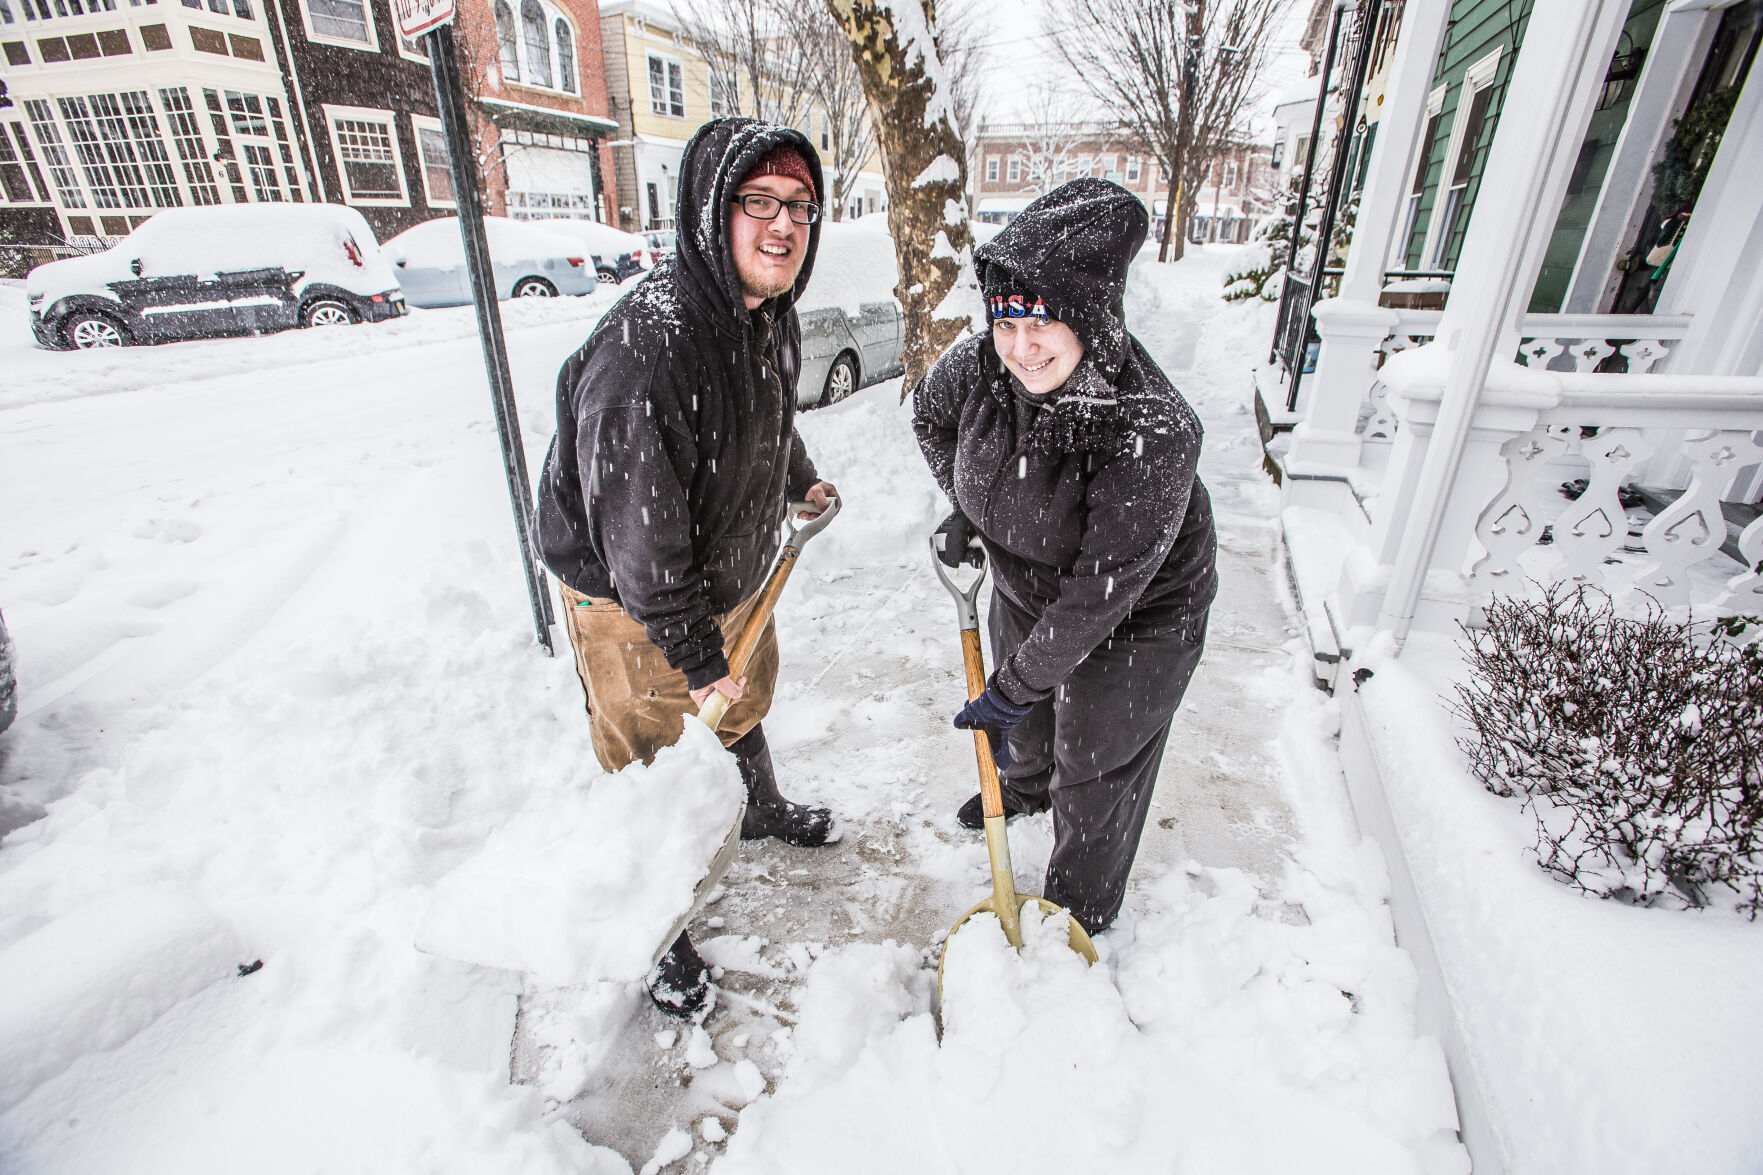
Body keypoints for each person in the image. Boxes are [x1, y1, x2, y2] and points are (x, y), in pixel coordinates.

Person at [535, 117, 840, 1019]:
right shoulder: (646, 354)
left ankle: (762, 805)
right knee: (650, 761)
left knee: (742, 698)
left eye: (800, 206)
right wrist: (696, 656)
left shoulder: (763, 315)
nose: (784, 226)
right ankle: (655, 934)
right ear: (714, 212)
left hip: (726, 569)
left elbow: (770, 414)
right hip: (634, 604)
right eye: (759, 203)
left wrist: (796, 480)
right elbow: (642, 547)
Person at [912, 178, 1218, 936]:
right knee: (1028, 729)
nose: (1019, 348)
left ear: (1088, 315)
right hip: (1025, 576)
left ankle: (1079, 901)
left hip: (1139, 610)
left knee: (1095, 758)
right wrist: (963, 503)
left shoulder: (1151, 425)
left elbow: (1098, 595)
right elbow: (928, 416)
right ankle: (1020, 788)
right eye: (1006, 322)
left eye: (1041, 321)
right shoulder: (983, 364)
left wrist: (1012, 685)